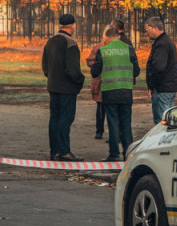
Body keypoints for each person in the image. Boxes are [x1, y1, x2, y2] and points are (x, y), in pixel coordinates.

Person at [91, 27, 140, 162]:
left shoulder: (103, 50)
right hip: (125, 90)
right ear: (118, 36)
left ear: (106, 38)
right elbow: (136, 71)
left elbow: (94, 72)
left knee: (112, 123)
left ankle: (114, 153)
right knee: (126, 123)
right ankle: (128, 153)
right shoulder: (129, 49)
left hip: (109, 91)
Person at [41, 13, 85, 161]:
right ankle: (64, 150)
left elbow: (45, 66)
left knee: (54, 119)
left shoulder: (51, 42)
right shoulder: (70, 43)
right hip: (67, 88)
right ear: (73, 26)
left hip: (53, 86)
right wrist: (80, 80)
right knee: (66, 119)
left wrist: (52, 77)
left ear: (60, 25)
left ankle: (54, 151)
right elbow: (73, 70)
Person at [144, 17, 177, 124]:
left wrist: (152, 85)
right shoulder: (165, 41)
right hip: (167, 87)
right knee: (168, 118)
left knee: (162, 121)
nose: (146, 33)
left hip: (162, 88)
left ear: (155, 27)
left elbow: (158, 67)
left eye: (147, 30)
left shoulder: (161, 44)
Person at [86, 28, 110, 140]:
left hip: (109, 81)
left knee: (110, 108)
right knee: (100, 108)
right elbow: (90, 60)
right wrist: (98, 64)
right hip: (100, 81)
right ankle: (99, 130)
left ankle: (111, 131)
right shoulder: (98, 47)